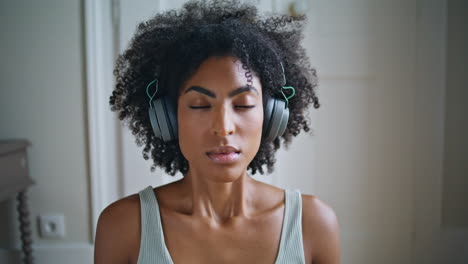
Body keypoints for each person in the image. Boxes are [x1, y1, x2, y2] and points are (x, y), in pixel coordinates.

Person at [94, 0, 340, 263]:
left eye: (243, 105)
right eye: (200, 105)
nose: (223, 127)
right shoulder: (123, 226)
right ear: (167, 117)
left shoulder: (313, 224)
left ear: (271, 116)